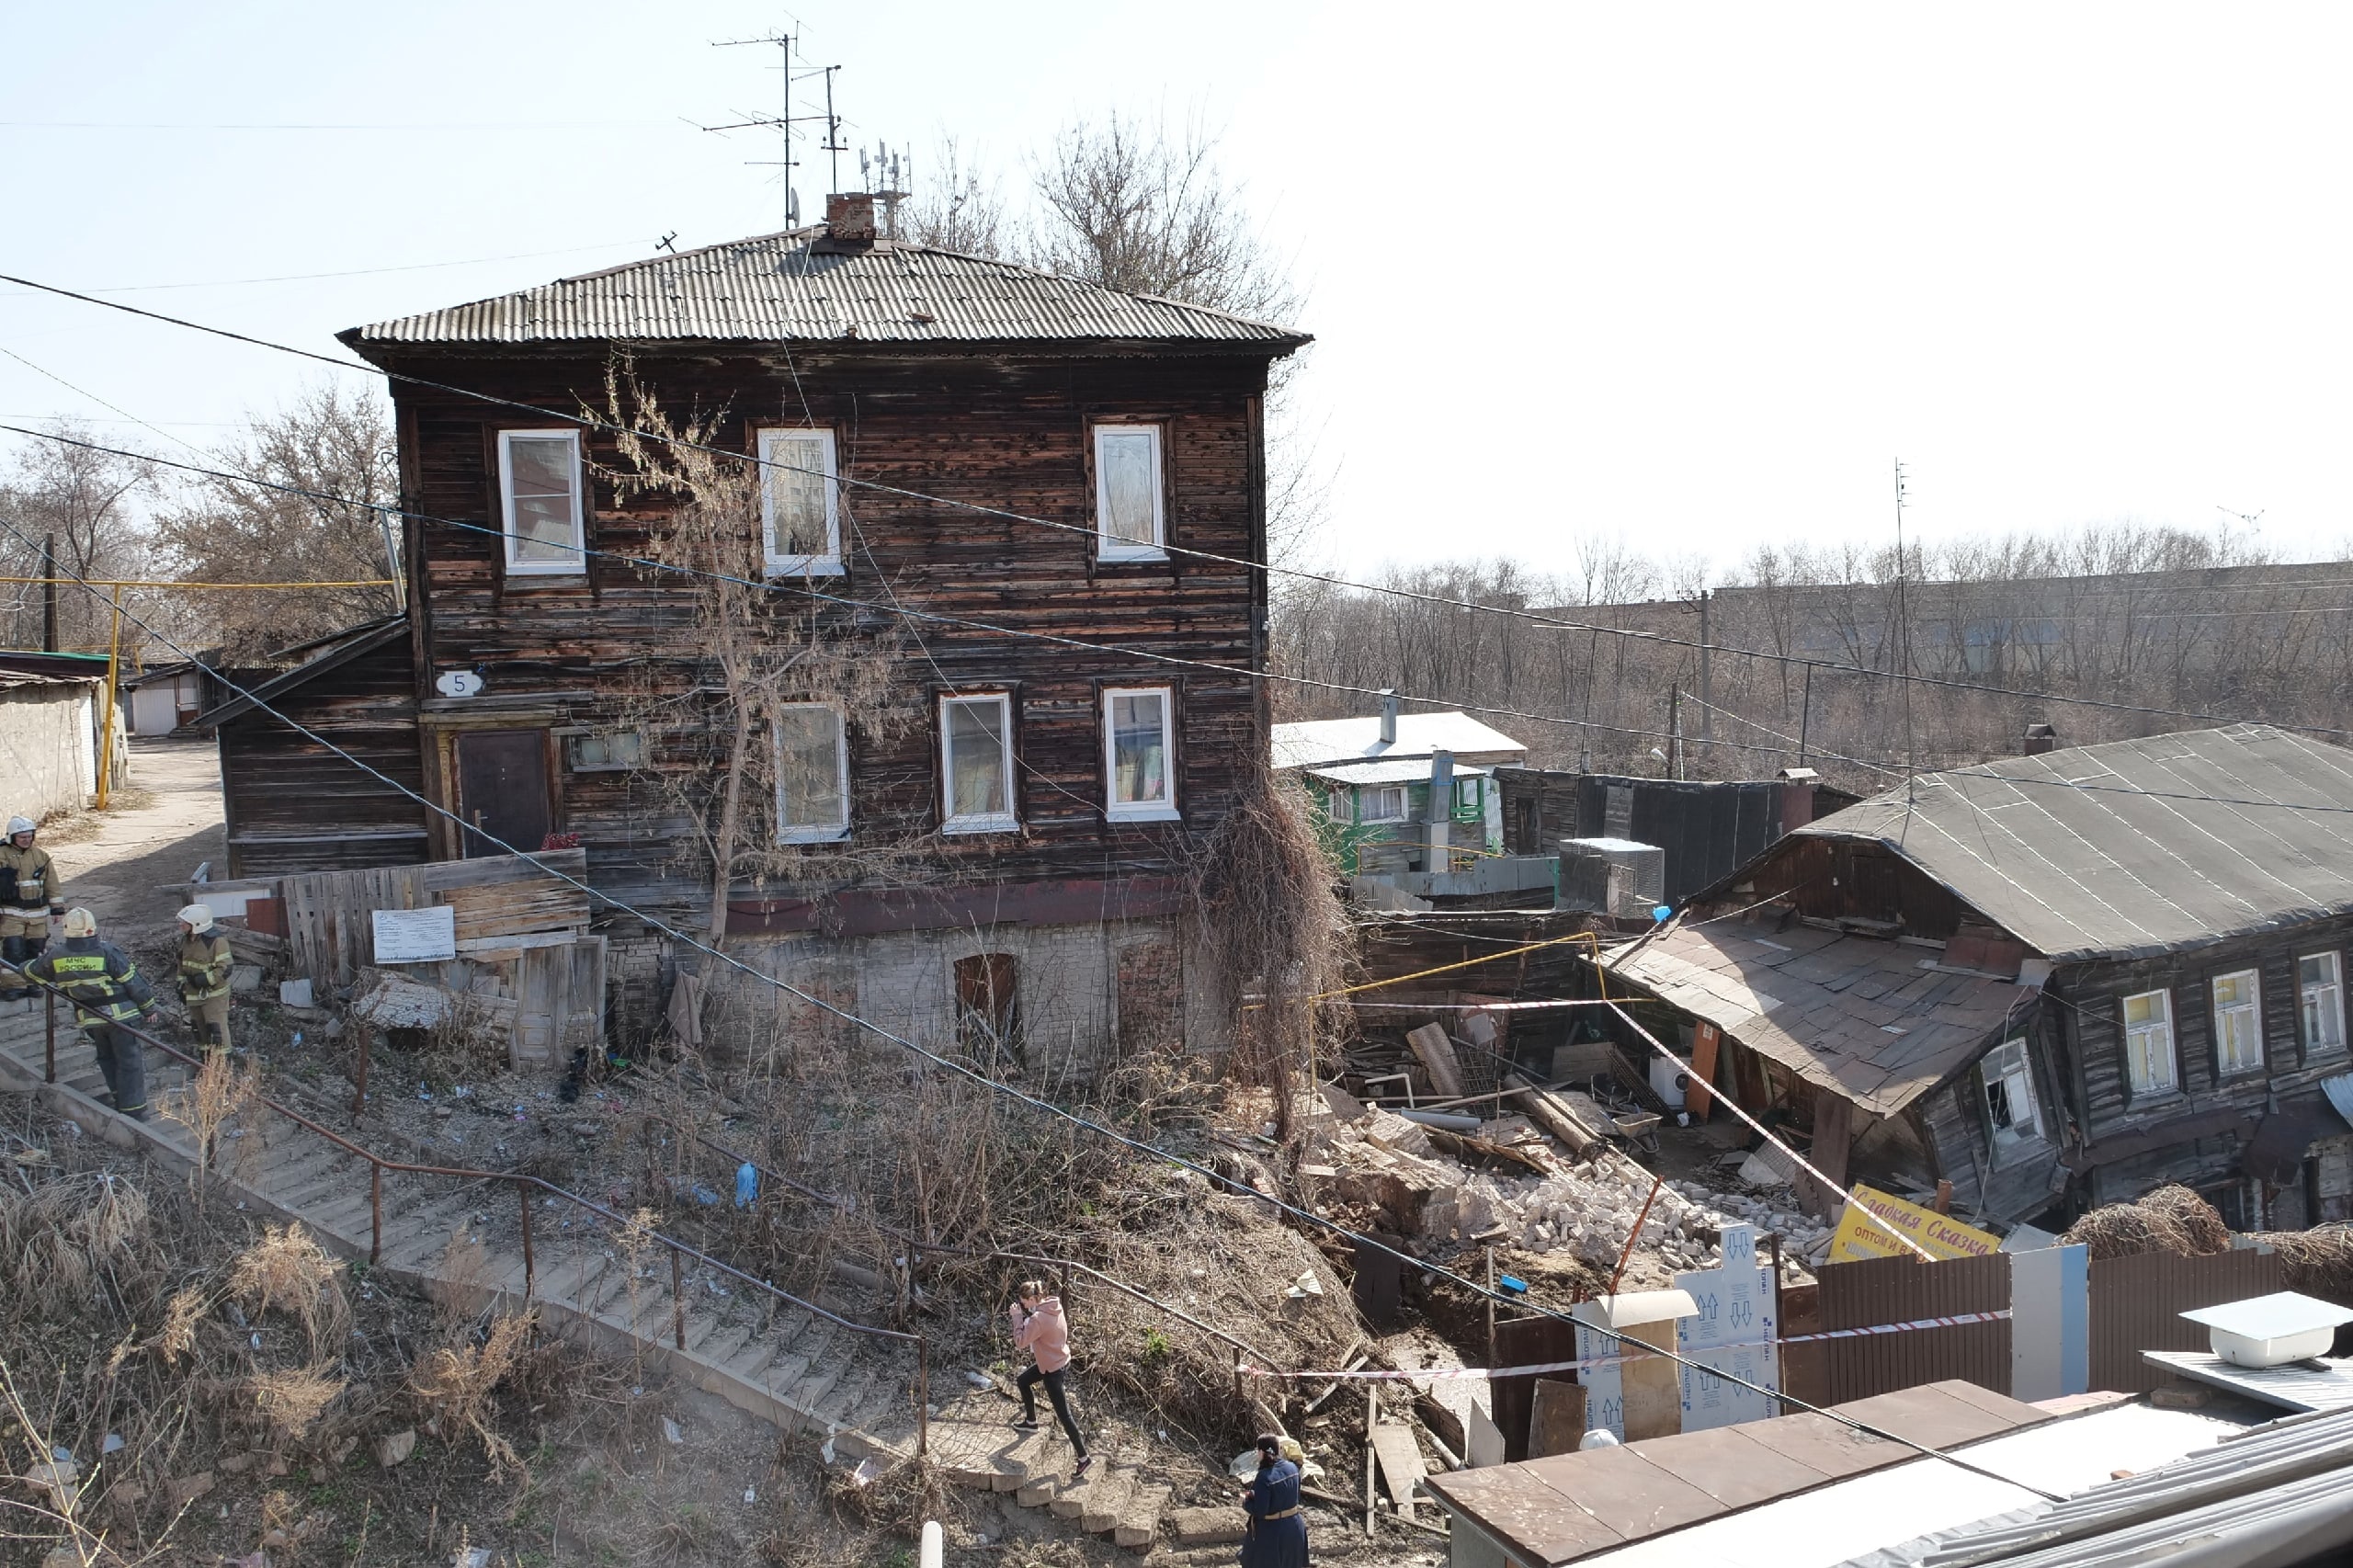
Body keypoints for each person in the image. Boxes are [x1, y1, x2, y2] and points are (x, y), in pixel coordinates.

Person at [26, 908, 157, 1120]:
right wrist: (149, 1008)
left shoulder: (57, 954)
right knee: (128, 1062)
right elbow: (133, 982)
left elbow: (31, 972)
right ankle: (133, 1110)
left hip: (91, 1020)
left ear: (67, 929)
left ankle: (119, 1100)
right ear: (92, 929)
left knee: (107, 1060)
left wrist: (26, 964)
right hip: (121, 1018)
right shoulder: (106, 951)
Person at [1008, 1280, 1092, 1476]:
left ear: (1031, 1299)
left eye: (1023, 1303)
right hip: (1059, 1359)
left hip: (1052, 1369)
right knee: (1023, 1381)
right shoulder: (1054, 1304)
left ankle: (1083, 1458)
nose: (1022, 1306)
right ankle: (1031, 1422)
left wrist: (1017, 1318)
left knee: (1064, 1415)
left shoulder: (1038, 1319)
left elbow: (1020, 1342)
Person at [0, 816, 62, 1001]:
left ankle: (32, 983)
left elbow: (52, 883)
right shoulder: (2, 855)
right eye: (22, 837)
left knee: (35, 950)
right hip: (10, 914)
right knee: (13, 949)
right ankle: (13, 986)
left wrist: (57, 908)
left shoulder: (40, 855)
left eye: (29, 836)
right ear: (12, 837)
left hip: (38, 914)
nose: (27, 840)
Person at [1238, 1433, 1308, 1568]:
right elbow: (1290, 1496)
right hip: (1295, 1528)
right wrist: (1256, 1494)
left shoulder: (1263, 1477)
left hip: (1273, 1534)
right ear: (1278, 1450)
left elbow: (1260, 1511)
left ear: (1261, 1452)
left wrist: (1246, 1501)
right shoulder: (1293, 1468)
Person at [176, 903, 233, 1056]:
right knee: (198, 1029)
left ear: (196, 924)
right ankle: (206, 1064)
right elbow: (181, 964)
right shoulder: (185, 941)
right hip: (193, 994)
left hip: (213, 996)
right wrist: (181, 984)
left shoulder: (216, 941)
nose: (180, 924)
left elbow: (225, 968)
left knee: (216, 1030)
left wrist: (205, 980)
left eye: (184, 922)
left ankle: (222, 1068)